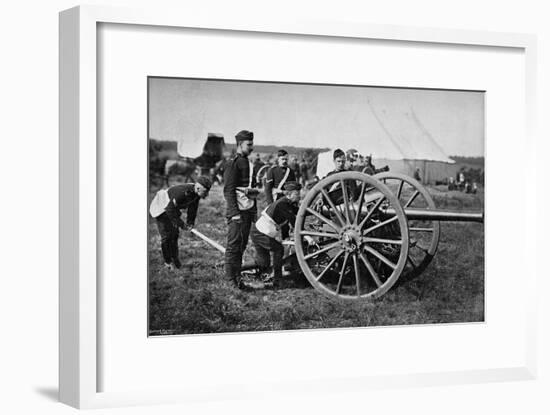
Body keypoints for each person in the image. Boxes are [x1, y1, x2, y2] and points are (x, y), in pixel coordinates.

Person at [243, 181, 311, 288]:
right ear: (288, 194)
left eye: (299, 193)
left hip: (259, 232)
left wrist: (316, 210)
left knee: (263, 263)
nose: (299, 196)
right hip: (259, 233)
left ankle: (235, 268)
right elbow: (294, 221)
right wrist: (307, 236)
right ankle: (278, 280)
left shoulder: (287, 203)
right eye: (297, 194)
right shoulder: (282, 204)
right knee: (278, 249)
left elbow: (300, 212)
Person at [149, 176, 212, 270]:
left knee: (174, 235)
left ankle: (175, 260)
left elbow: (193, 209)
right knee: (166, 237)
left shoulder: (196, 193)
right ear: (198, 188)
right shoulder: (182, 193)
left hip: (172, 208)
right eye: (205, 192)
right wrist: (182, 224)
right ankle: (168, 263)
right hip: (161, 207)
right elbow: (169, 209)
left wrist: (190, 223)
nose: (206, 195)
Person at [223, 130, 259, 289]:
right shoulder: (233, 162)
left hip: (247, 210)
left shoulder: (247, 162)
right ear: (239, 145)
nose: (251, 147)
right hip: (237, 212)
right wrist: (235, 214)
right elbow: (228, 191)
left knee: (242, 245)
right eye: (248, 145)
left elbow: (249, 189)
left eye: (252, 144)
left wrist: (253, 212)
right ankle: (231, 281)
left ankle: (237, 279)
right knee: (234, 246)